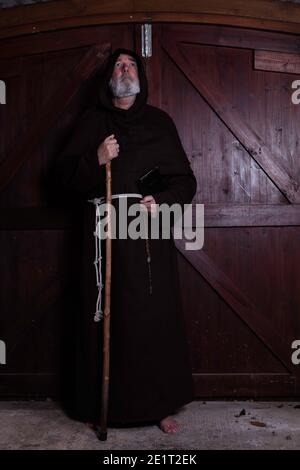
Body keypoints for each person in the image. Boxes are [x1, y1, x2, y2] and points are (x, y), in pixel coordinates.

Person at [56, 48, 197, 433]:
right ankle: (97, 405)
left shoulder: (159, 123)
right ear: (109, 78)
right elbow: (62, 179)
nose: (125, 68)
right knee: (103, 317)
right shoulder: (91, 123)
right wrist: (95, 158)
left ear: (140, 77)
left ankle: (158, 406)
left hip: (146, 237)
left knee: (152, 319)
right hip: (102, 238)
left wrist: (162, 201)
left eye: (131, 64)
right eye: (119, 64)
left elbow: (185, 181)